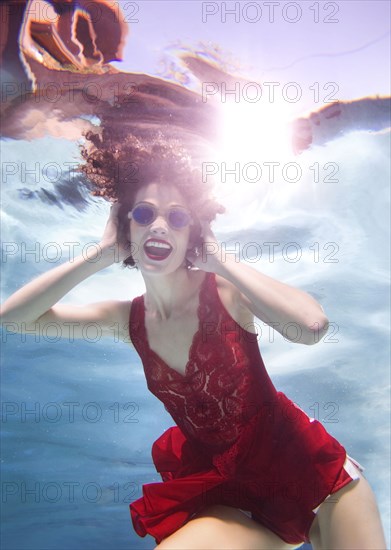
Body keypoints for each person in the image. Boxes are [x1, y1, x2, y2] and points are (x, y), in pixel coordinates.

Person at [0, 135, 386, 550]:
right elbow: (13, 319)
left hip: (323, 483)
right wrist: (102, 253)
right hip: (241, 499)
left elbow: (311, 327)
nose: (160, 226)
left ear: (192, 234)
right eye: (145, 214)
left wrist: (218, 256)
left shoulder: (225, 293)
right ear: (126, 225)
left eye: (178, 218)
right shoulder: (126, 321)